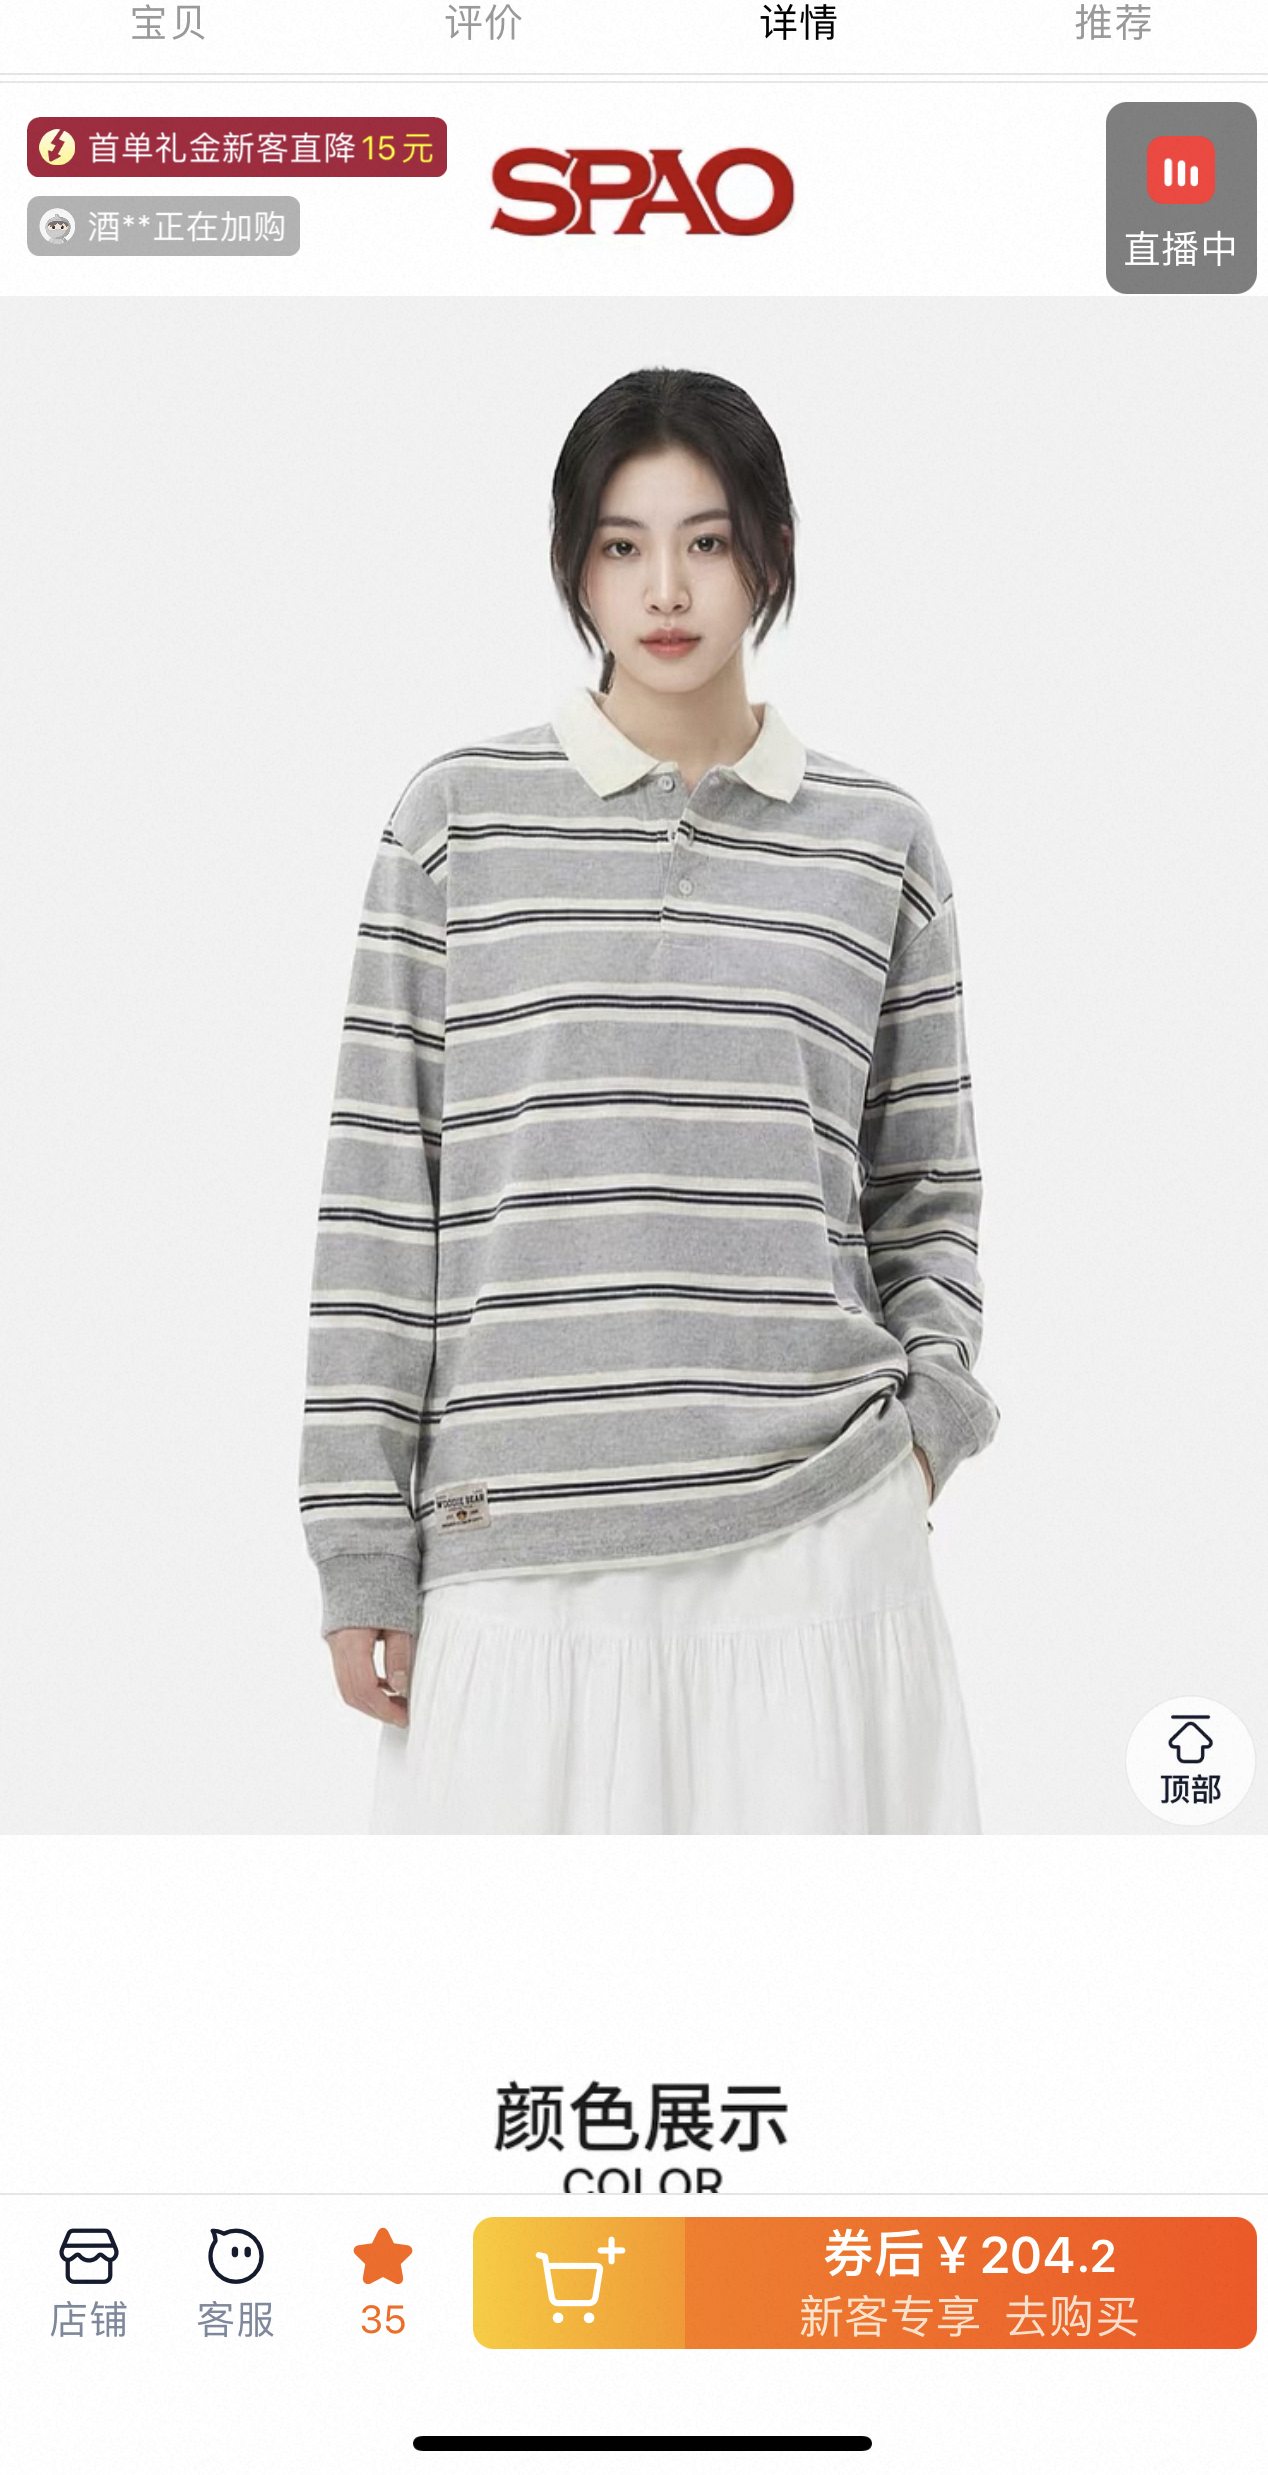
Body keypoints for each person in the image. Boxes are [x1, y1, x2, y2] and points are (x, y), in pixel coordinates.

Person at [298, 366, 999, 1832]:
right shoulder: (456, 822)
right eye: (623, 545)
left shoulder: (879, 843)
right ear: (575, 565)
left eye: (708, 540)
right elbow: (383, 1198)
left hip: (819, 1540)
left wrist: (925, 1428)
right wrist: (362, 1540)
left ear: (771, 553)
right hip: (520, 1550)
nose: (666, 588)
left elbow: (925, 1188)